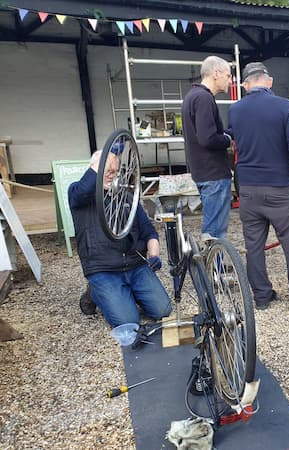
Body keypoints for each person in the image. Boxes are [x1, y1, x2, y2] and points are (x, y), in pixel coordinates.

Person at [228, 62, 289, 310]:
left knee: (254, 247)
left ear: (245, 85)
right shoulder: (284, 106)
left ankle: (262, 297)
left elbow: (236, 146)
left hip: (249, 189)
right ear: (270, 81)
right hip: (279, 188)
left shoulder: (235, 111)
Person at [68, 150, 172, 327]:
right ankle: (94, 292)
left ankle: (125, 293)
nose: (112, 176)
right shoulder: (78, 194)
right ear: (95, 169)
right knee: (128, 321)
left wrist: (154, 254)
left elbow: (149, 232)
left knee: (163, 311)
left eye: (115, 172)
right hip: (103, 268)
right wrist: (104, 160)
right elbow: (84, 188)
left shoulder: (127, 197)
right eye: (107, 171)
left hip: (135, 265)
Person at [182, 55, 233, 239]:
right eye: (228, 75)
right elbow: (207, 138)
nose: (230, 80)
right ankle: (213, 267)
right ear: (216, 73)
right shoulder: (204, 98)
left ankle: (213, 264)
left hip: (202, 170)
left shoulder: (192, 96)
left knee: (213, 226)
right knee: (214, 231)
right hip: (214, 173)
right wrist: (227, 140)